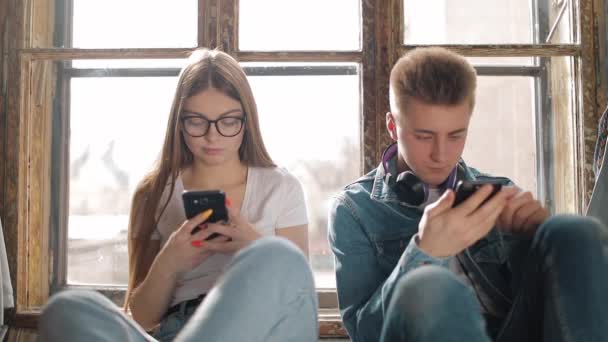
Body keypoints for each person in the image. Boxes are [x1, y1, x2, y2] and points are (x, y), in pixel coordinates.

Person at [328, 47, 608, 342]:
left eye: (455, 135)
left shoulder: (498, 191)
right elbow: (364, 334)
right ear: (392, 126)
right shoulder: (353, 210)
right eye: (424, 136)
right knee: (430, 285)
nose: (441, 154)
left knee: (572, 230)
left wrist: (535, 239)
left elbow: (545, 311)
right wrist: (424, 253)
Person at [39, 48, 318, 342]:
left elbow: (298, 294)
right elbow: (143, 317)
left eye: (228, 121)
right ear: (179, 122)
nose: (213, 135)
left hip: (256, 330)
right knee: (68, 308)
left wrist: (252, 246)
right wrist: (171, 260)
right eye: (197, 121)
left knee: (279, 255)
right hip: (174, 330)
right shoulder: (154, 192)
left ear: (246, 122)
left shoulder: (281, 187)